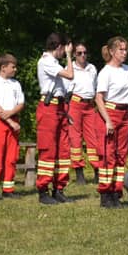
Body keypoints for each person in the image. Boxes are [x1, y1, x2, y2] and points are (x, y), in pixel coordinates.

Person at [95, 36, 128, 209]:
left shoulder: (127, 69)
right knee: (107, 154)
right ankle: (105, 193)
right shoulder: (106, 72)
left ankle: (117, 191)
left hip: (124, 113)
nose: (124, 53)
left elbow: (127, 92)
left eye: (125, 50)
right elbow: (99, 98)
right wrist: (108, 121)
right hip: (109, 112)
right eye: (120, 50)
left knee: (120, 154)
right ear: (111, 51)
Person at [36, 32, 74, 205]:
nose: (65, 52)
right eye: (64, 49)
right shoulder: (46, 61)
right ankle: (43, 190)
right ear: (59, 47)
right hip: (49, 108)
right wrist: (69, 56)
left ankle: (59, 188)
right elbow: (70, 75)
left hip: (59, 107)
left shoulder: (55, 63)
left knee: (63, 150)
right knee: (48, 149)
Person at [0, 53, 25, 200]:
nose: (15, 69)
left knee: (11, 156)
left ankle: (8, 189)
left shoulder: (16, 84)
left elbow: (21, 103)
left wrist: (11, 114)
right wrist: (10, 121)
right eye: (13, 67)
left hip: (13, 120)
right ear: (3, 67)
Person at [68, 43, 99, 185]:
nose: (83, 55)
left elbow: (96, 87)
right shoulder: (70, 68)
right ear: (74, 54)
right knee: (75, 139)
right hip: (75, 103)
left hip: (90, 105)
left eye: (85, 52)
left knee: (93, 138)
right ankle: (79, 172)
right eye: (79, 53)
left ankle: (97, 170)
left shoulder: (92, 68)